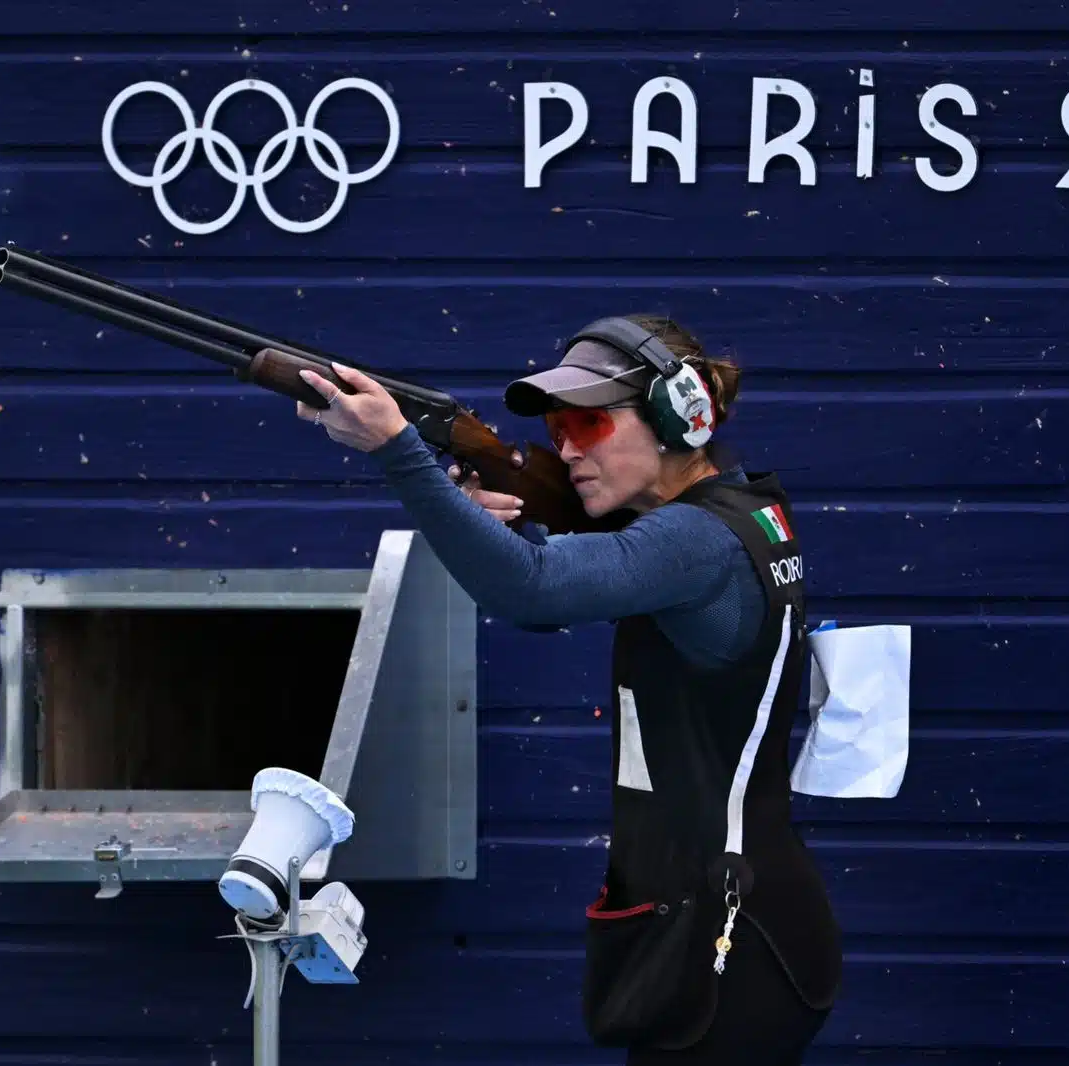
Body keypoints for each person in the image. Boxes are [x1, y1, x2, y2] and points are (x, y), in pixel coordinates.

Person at [294, 313, 842, 1064]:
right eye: (558, 430)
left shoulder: (694, 541)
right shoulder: (741, 515)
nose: (569, 449)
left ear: (679, 416)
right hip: (738, 921)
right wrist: (491, 519)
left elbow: (537, 592)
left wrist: (400, 452)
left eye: (591, 421)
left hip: (727, 944)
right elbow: (566, 579)